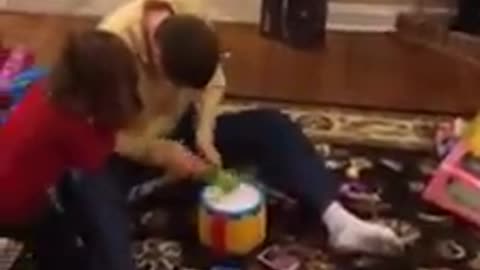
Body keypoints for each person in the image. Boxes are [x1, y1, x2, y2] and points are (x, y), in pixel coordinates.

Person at [71, 1, 404, 269]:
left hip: (181, 134)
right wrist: (156, 152)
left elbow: (213, 80)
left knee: (272, 126)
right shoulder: (110, 46)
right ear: (155, 56)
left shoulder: (191, 11)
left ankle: (340, 221)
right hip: (126, 148)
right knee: (88, 185)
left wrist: (205, 133)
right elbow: (89, 130)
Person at [0, 30, 140, 270]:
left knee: (60, 223)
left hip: (13, 183)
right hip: (14, 203)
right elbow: (95, 159)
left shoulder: (45, 88)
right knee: (61, 247)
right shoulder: (69, 122)